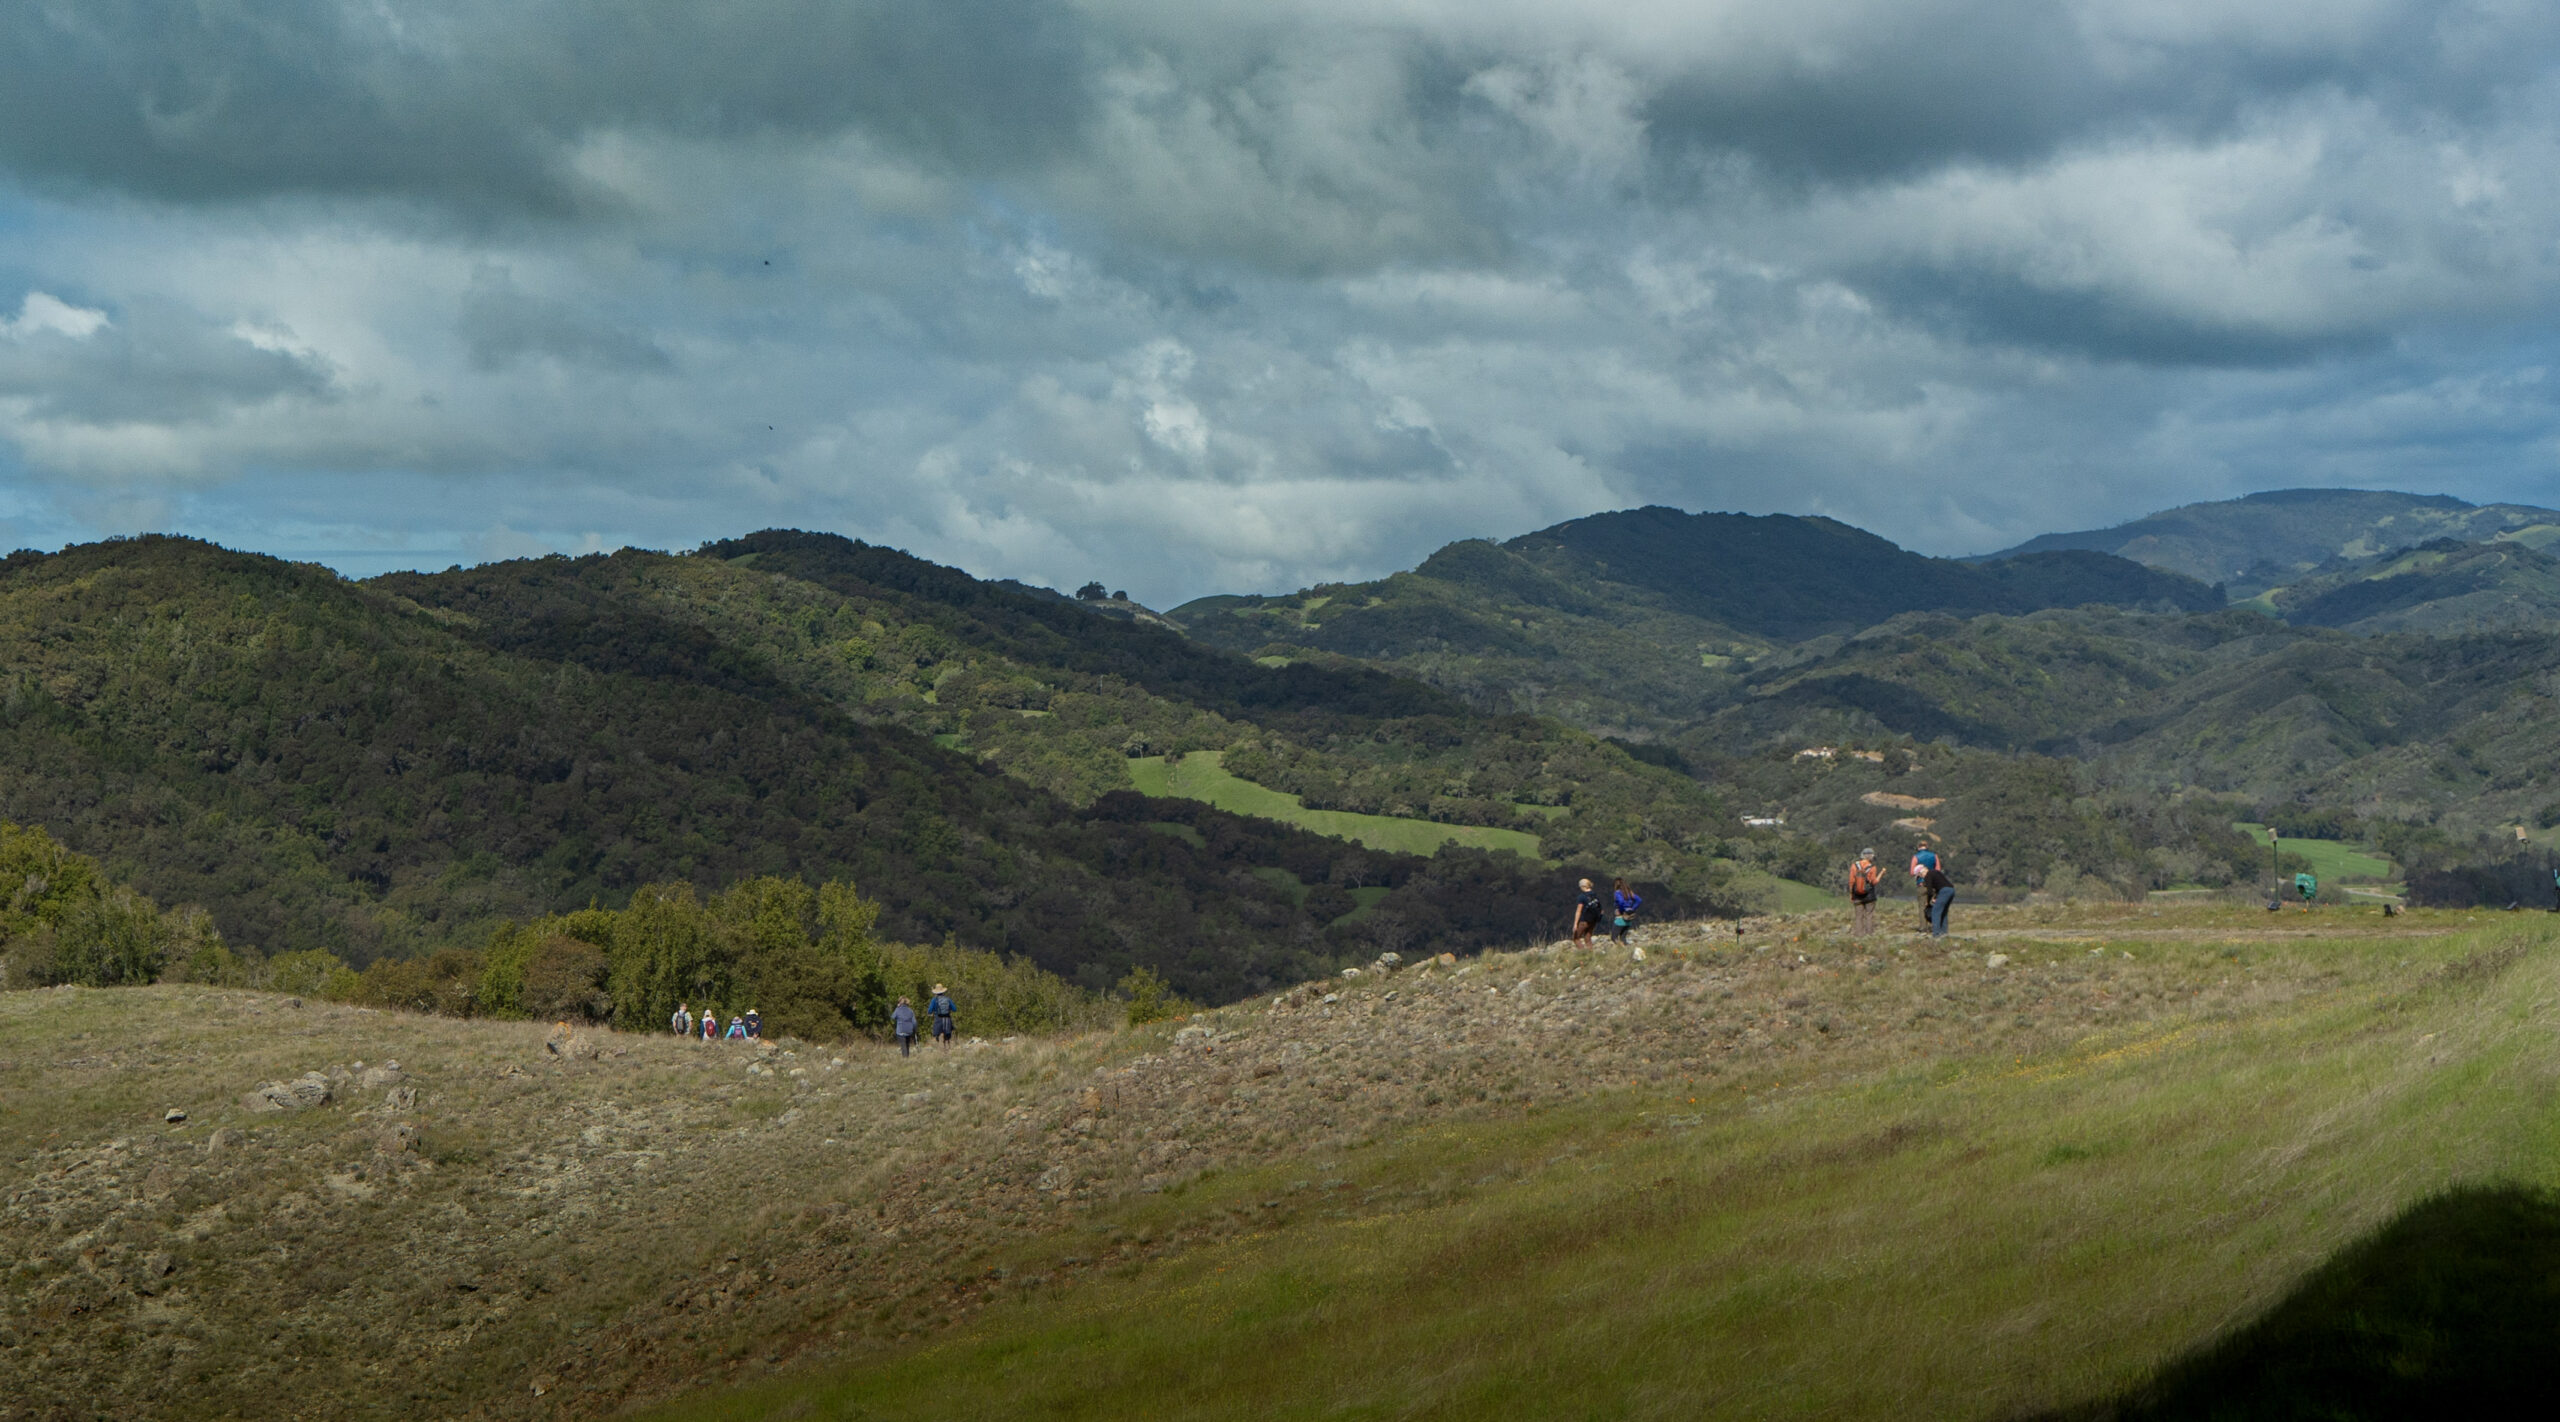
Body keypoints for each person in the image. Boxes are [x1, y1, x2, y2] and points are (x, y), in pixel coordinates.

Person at [1847, 849, 1881, 937]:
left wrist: (1851, 894)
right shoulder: (1872, 867)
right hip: (1869, 895)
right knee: (1869, 915)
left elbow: (1851, 881)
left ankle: (1859, 935)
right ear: (1871, 856)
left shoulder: (1854, 866)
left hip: (1857, 894)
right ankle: (1869, 935)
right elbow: (1873, 882)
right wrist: (1881, 875)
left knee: (1859, 916)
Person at [1909, 841, 1941, 929]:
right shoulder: (1934, 856)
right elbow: (1938, 870)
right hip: (1933, 884)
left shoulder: (1915, 857)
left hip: (1921, 883)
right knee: (1933, 905)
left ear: (1918, 847)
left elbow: (1912, 872)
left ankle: (1923, 927)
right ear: (1927, 847)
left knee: (1922, 906)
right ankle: (1935, 925)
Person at [1924, 857, 1955, 939]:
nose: (1921, 877)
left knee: (1935, 911)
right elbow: (1941, 884)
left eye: (1920, 875)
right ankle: (1944, 932)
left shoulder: (1928, 875)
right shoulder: (1935, 872)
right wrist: (1937, 897)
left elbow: (1929, 891)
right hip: (1951, 890)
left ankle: (1936, 934)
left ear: (1921, 872)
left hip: (1944, 891)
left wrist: (1928, 901)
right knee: (1943, 912)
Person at [1571, 878, 1603, 946]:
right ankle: (1590, 954)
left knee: (1576, 938)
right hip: (1593, 920)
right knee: (1587, 938)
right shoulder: (1594, 895)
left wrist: (1575, 924)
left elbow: (1578, 911)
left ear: (1583, 886)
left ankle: (1583, 953)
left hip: (1584, 920)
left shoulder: (1582, 897)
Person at [1610, 878, 1642, 945]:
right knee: (1623, 938)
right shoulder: (1629, 892)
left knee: (1614, 937)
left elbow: (1621, 902)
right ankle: (1626, 949)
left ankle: (1621, 948)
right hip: (1629, 918)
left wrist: (1621, 910)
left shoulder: (1618, 893)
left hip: (1620, 918)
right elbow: (1639, 900)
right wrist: (1632, 908)